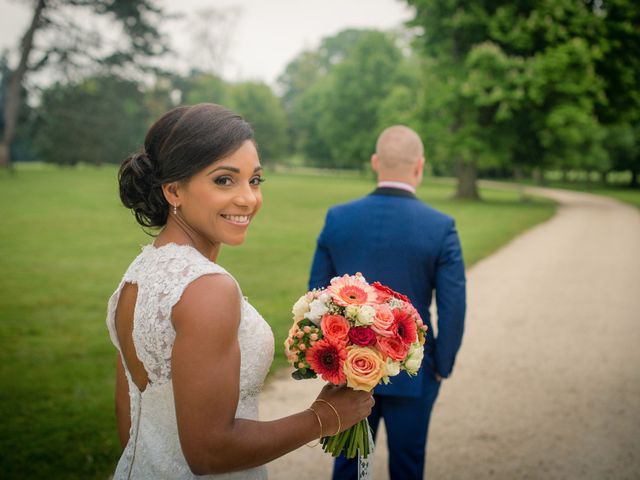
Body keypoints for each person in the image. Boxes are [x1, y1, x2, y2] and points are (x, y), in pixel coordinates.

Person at [107, 103, 373, 479]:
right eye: (224, 180)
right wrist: (323, 418)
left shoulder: (138, 274)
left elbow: (129, 420)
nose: (248, 198)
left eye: (255, 180)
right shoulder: (208, 289)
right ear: (173, 190)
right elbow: (210, 453)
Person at [309, 125, 466, 480]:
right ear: (419, 166)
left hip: (350, 370)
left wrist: (332, 361)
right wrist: (441, 364)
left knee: (348, 464)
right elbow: (453, 306)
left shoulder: (338, 218)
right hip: (414, 369)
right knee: (408, 466)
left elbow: (317, 295)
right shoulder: (440, 226)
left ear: (375, 162)